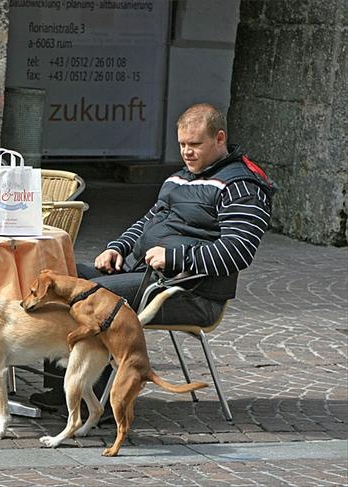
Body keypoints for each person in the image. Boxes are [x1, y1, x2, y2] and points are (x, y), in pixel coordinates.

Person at [30, 102, 276, 413]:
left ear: (220, 138)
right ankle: (65, 385)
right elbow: (148, 221)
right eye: (182, 144)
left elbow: (239, 251)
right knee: (59, 282)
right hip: (146, 274)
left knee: (92, 300)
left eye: (195, 144)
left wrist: (175, 256)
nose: (187, 152)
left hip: (189, 291)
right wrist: (117, 247)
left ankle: (93, 400)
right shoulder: (180, 178)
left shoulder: (242, 186)